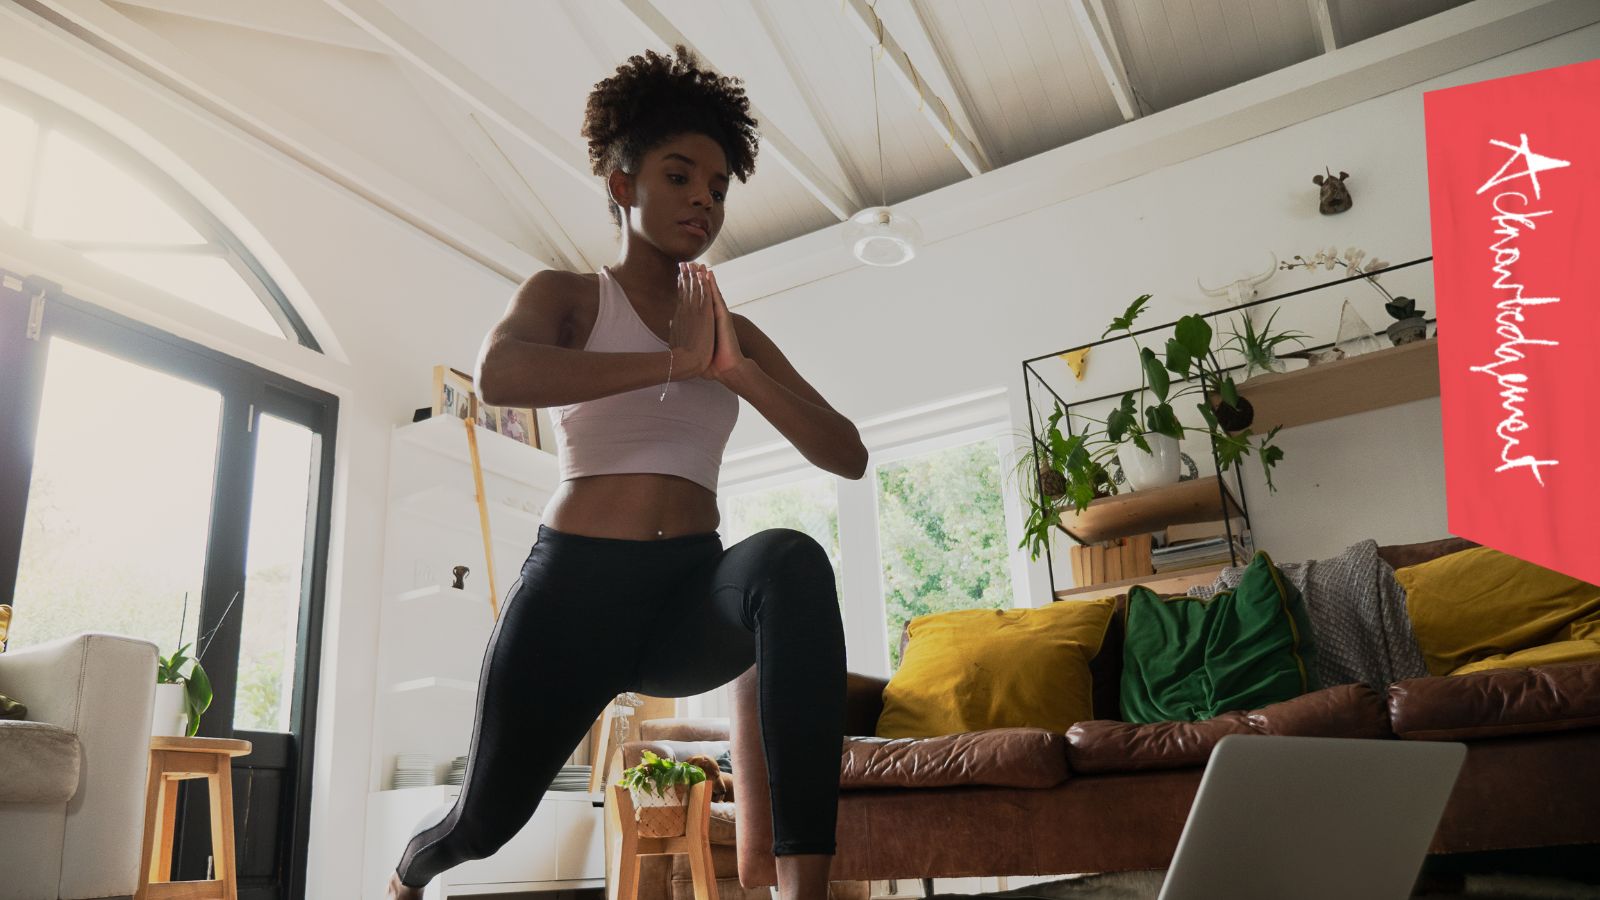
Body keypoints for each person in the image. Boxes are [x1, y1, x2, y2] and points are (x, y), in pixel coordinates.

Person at [387, 44, 867, 900]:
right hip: (572, 596)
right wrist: (672, 363)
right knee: (483, 824)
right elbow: (502, 378)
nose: (703, 201)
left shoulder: (735, 334)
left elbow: (848, 454)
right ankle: (409, 875)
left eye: (718, 188)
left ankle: (803, 894)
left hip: (687, 596)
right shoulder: (569, 295)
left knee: (790, 561)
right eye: (680, 176)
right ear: (622, 185)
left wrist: (734, 369)